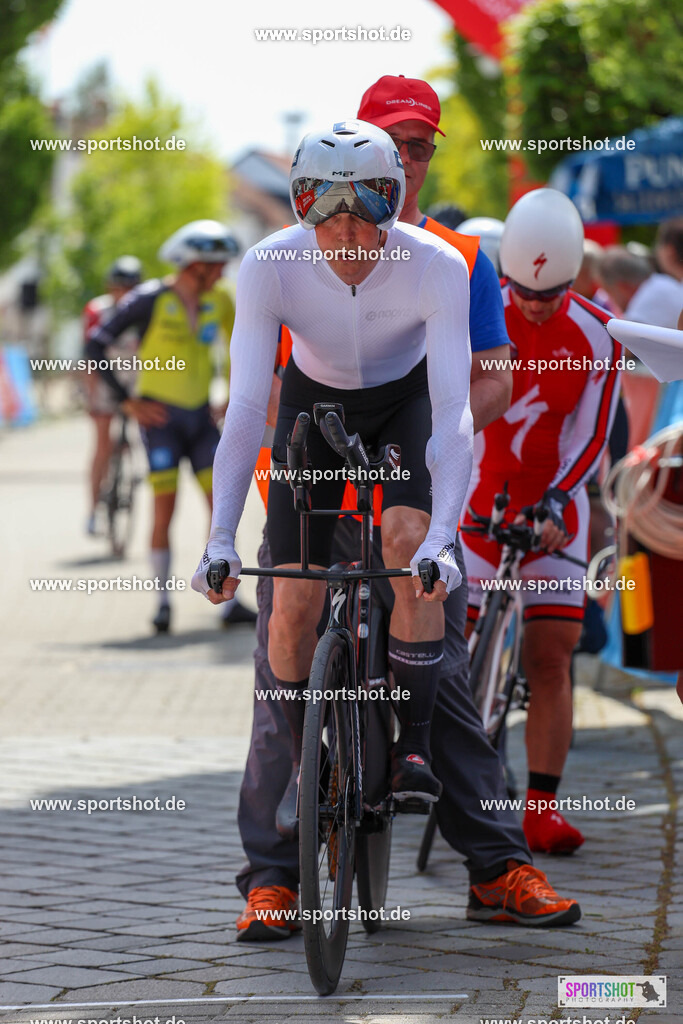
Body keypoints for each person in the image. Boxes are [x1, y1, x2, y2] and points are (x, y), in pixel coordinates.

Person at [209, 85, 580, 940]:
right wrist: (221, 537)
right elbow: (246, 408)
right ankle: (277, 867)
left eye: (416, 153)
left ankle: (484, 850)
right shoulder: (274, 262)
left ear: (405, 180)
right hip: (315, 426)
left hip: (408, 433)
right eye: (395, 147)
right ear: (312, 191)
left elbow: (469, 397)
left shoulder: (450, 258)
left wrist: (442, 533)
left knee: (430, 631)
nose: (347, 223)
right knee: (287, 630)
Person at [462, 188, 622, 856]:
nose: (533, 305)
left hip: (556, 504)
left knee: (551, 654)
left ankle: (542, 809)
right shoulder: (478, 314)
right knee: (450, 653)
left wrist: (559, 499)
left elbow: (592, 438)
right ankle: (458, 789)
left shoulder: (595, 335)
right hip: (477, 498)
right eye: (524, 291)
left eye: (550, 293)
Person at [87, 220, 245, 633]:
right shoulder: (149, 299)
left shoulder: (221, 300)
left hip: (201, 419)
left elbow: (239, 346)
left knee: (221, 511)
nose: (222, 273)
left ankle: (229, 604)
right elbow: (94, 343)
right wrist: (126, 401)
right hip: (161, 422)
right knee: (165, 510)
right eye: (216, 265)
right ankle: (161, 603)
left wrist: (232, 394)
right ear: (194, 265)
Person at [82, 256, 142, 535]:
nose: (123, 294)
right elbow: (89, 356)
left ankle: (132, 471)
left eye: (129, 287)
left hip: (134, 381)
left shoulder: (144, 309)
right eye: (118, 288)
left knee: (140, 435)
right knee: (103, 445)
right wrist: (91, 395)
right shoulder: (97, 310)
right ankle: (93, 510)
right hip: (105, 382)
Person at [599, 246, 683, 329]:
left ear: (623, 287)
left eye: (608, 292)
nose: (609, 300)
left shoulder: (637, 318)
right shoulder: (665, 280)